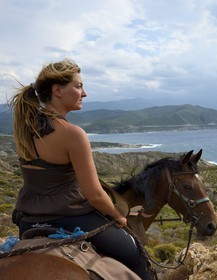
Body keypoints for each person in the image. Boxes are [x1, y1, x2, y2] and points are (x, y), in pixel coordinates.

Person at [9, 58, 153, 279]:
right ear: (57, 90)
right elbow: (94, 194)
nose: (84, 93)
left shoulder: (25, 128)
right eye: (78, 86)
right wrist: (119, 217)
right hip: (70, 218)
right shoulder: (72, 133)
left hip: (28, 220)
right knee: (136, 255)